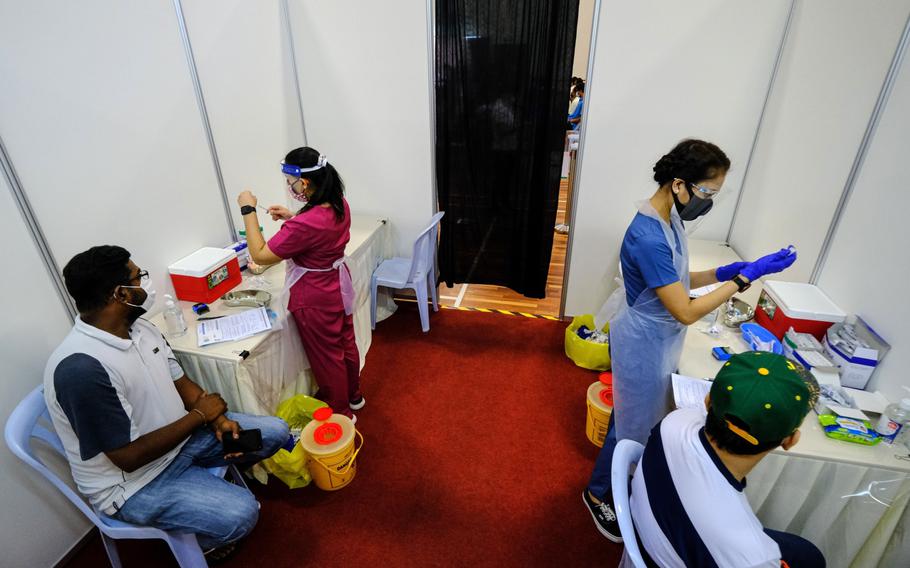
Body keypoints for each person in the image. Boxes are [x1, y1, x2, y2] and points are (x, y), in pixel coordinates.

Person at [583, 139, 798, 541]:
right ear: (679, 184)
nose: (709, 201)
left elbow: (677, 282)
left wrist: (722, 271)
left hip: (659, 334)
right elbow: (685, 309)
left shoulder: (669, 220)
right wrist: (744, 279)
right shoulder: (647, 234)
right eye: (707, 192)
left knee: (633, 416)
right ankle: (598, 495)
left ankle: (619, 481)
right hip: (645, 338)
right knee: (630, 425)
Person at [44, 246, 289, 561]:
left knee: (276, 432)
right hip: (135, 484)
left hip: (181, 442)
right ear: (119, 293)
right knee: (242, 514)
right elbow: (127, 457)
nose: (145, 283)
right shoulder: (81, 369)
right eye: (138, 277)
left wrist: (217, 421)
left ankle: (201, 483)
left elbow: (181, 383)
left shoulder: (140, 327)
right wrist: (201, 414)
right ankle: (206, 537)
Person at [630, 352, 825, 567]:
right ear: (790, 440)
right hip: (691, 545)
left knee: (806, 552)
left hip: (657, 535)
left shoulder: (675, 421)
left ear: (707, 401)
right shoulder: (753, 556)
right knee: (810, 557)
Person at [237, 146, 363, 421]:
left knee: (327, 357)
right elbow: (319, 230)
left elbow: (259, 254)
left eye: (289, 181)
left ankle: (340, 412)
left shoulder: (306, 225)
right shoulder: (338, 202)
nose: (289, 186)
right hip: (337, 285)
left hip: (315, 295)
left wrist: (248, 208)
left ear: (303, 182)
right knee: (345, 342)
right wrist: (294, 218)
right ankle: (353, 397)